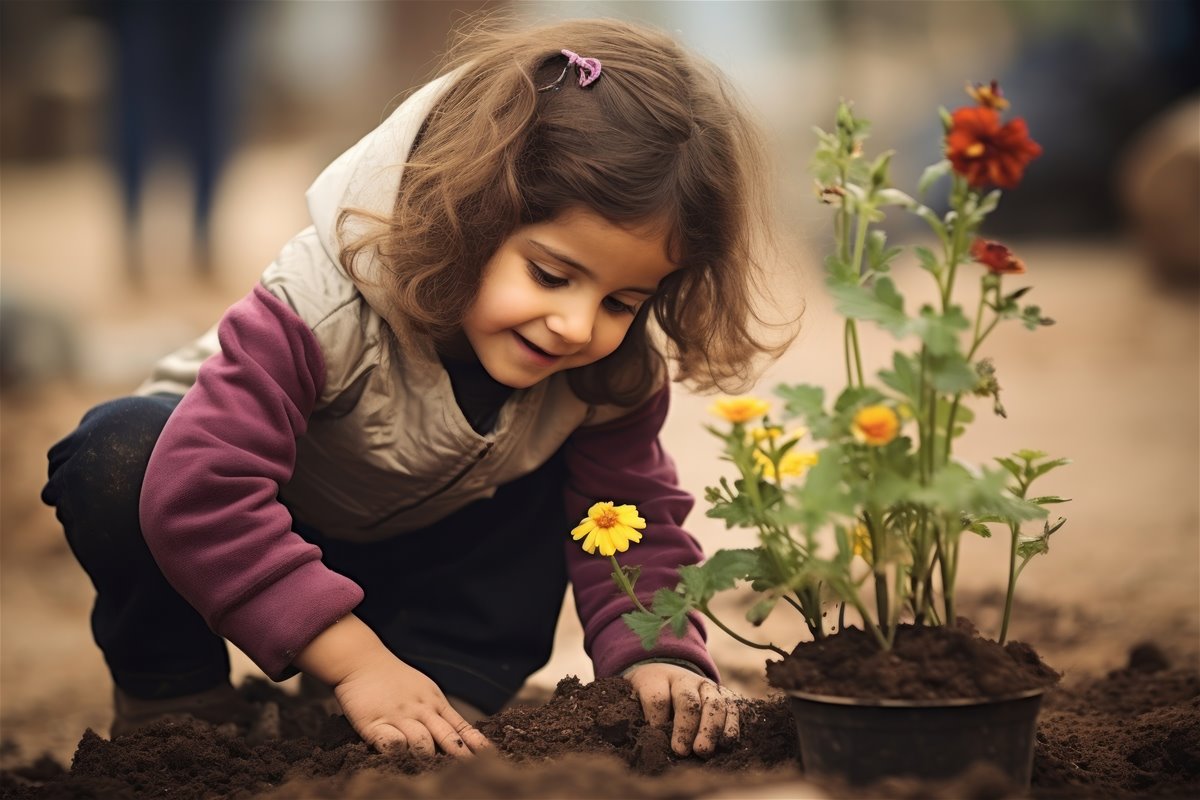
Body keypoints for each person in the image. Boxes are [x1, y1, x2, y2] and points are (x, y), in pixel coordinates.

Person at [42, 17, 791, 759]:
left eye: (622, 303)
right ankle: (179, 702)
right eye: (551, 275)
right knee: (118, 455)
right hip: (243, 521)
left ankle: (431, 691)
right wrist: (356, 661)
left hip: (422, 548)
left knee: (581, 498)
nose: (575, 324)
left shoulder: (606, 374)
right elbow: (199, 494)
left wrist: (658, 651)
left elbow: (634, 522)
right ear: (471, 215)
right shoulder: (318, 308)